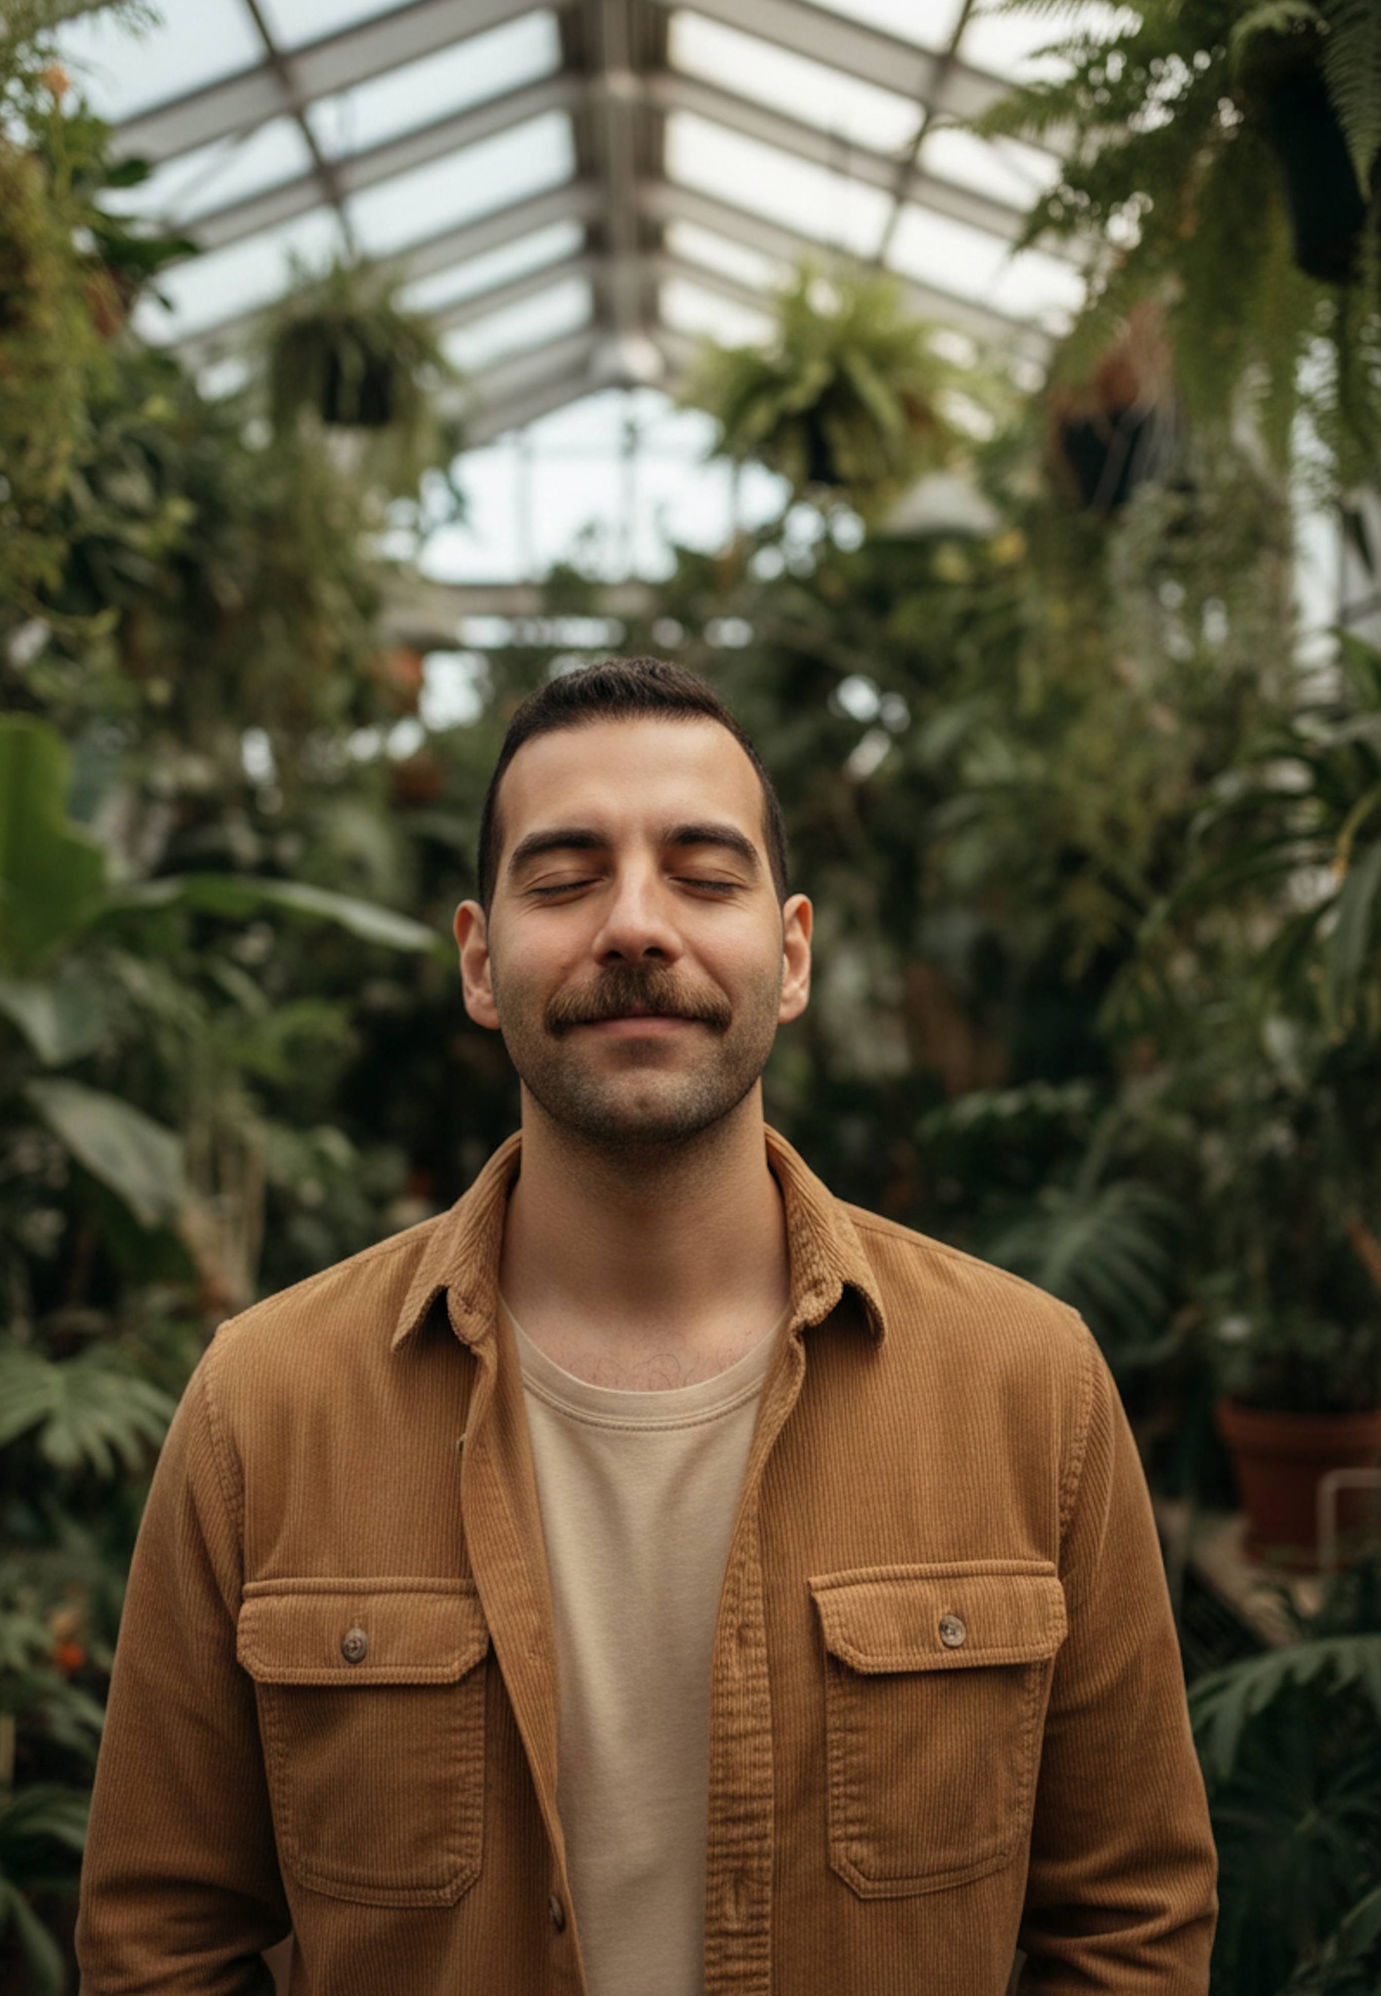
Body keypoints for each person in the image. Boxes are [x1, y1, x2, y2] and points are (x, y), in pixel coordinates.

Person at [77, 657, 1217, 1996]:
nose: (634, 925)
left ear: (789, 956)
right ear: (479, 958)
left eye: (702, 873)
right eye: (563, 877)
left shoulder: (1028, 1387)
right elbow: (161, 1940)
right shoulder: (268, 1406)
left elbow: (1131, 1922)